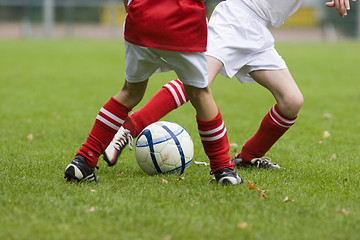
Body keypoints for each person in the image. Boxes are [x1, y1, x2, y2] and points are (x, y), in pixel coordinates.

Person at [103, 0, 357, 170]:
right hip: (237, 15)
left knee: (291, 101)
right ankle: (128, 128)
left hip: (258, 28)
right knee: (197, 83)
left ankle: (248, 157)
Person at [64, 0, 242, 185]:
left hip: (141, 18)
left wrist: (132, 12)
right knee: (200, 94)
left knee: (130, 93)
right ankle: (224, 169)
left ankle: (84, 160)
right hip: (183, 21)